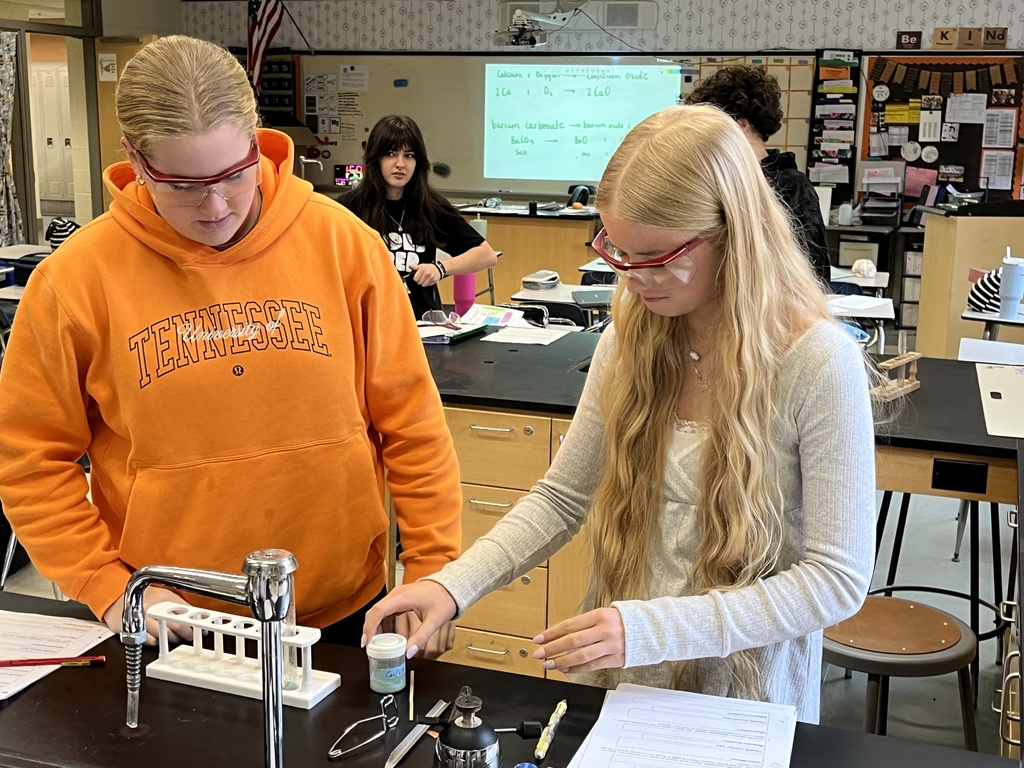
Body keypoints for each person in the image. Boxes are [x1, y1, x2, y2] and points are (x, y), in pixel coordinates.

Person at [363, 105, 876, 723]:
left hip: (747, 695)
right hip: (629, 677)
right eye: (617, 251)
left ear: (733, 233)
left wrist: (651, 629)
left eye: (655, 257)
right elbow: (562, 497)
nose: (632, 279)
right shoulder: (631, 338)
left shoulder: (818, 362)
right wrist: (452, 585)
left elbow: (835, 579)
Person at [0, 36, 461, 654]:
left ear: (255, 140)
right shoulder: (75, 280)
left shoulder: (344, 245)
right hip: (171, 622)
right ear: (135, 158)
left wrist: (432, 566)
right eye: (183, 185)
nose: (215, 206)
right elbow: (30, 461)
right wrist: (107, 586)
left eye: (233, 175)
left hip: (343, 608)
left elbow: (412, 423)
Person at [686, 65, 835, 288]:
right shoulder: (715, 182)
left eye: (713, 130)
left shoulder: (791, 185)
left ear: (740, 126)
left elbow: (816, 273)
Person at [338, 115, 498, 320]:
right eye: (391, 154)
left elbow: (486, 255)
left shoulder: (430, 206)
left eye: (409, 155)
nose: (400, 164)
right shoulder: (349, 208)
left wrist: (440, 268)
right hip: (368, 320)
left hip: (423, 323)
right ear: (376, 158)